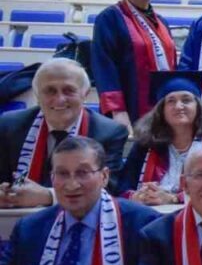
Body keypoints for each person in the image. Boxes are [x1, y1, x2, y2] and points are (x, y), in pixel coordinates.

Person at [1, 136, 158, 265]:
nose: (72, 184)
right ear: (52, 178)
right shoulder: (30, 228)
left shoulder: (142, 223)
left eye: (82, 173)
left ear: (104, 176)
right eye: (62, 173)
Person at [0, 59, 128, 206]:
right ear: (37, 95)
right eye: (50, 91)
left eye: (69, 90)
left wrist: (49, 197)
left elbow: (108, 189)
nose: (59, 99)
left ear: (84, 94)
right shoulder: (8, 125)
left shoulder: (110, 132)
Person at [91, 0, 178, 127]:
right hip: (128, 109)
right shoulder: (110, 18)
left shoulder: (161, 22)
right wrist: (117, 110)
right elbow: (104, 67)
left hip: (161, 107)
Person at [119, 71, 202, 205]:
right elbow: (122, 189)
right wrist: (140, 196)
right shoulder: (145, 145)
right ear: (161, 110)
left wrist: (173, 198)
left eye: (186, 100)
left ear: (198, 107)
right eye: (171, 101)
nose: (178, 106)